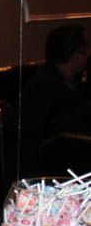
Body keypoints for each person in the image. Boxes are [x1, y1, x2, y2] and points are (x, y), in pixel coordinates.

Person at [21, 25, 91, 176]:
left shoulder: (66, 81)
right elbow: (66, 138)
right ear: (75, 55)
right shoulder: (45, 88)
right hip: (52, 170)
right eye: (86, 50)